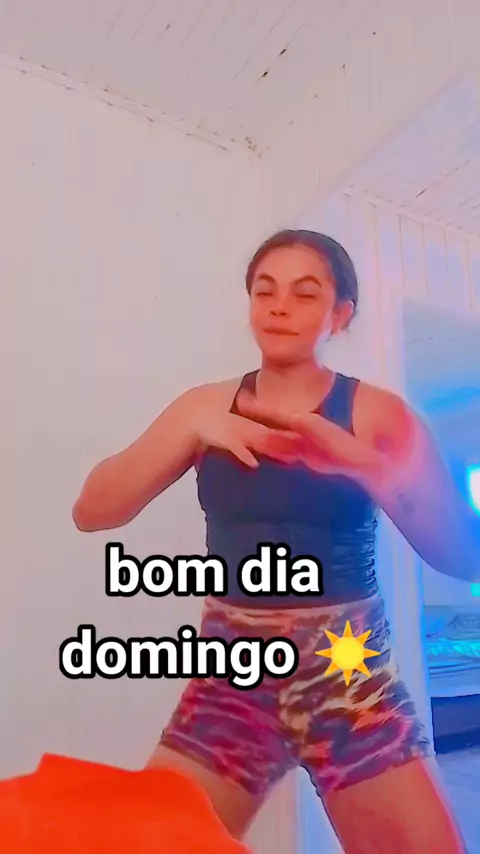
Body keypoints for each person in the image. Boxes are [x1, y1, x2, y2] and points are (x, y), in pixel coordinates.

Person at [73, 230, 478, 853]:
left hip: (349, 682)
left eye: (304, 293)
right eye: (265, 291)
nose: (279, 306)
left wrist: (370, 468)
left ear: (339, 315)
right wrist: (189, 425)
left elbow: (462, 557)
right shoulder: (205, 406)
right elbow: (93, 512)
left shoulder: (377, 414)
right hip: (230, 683)